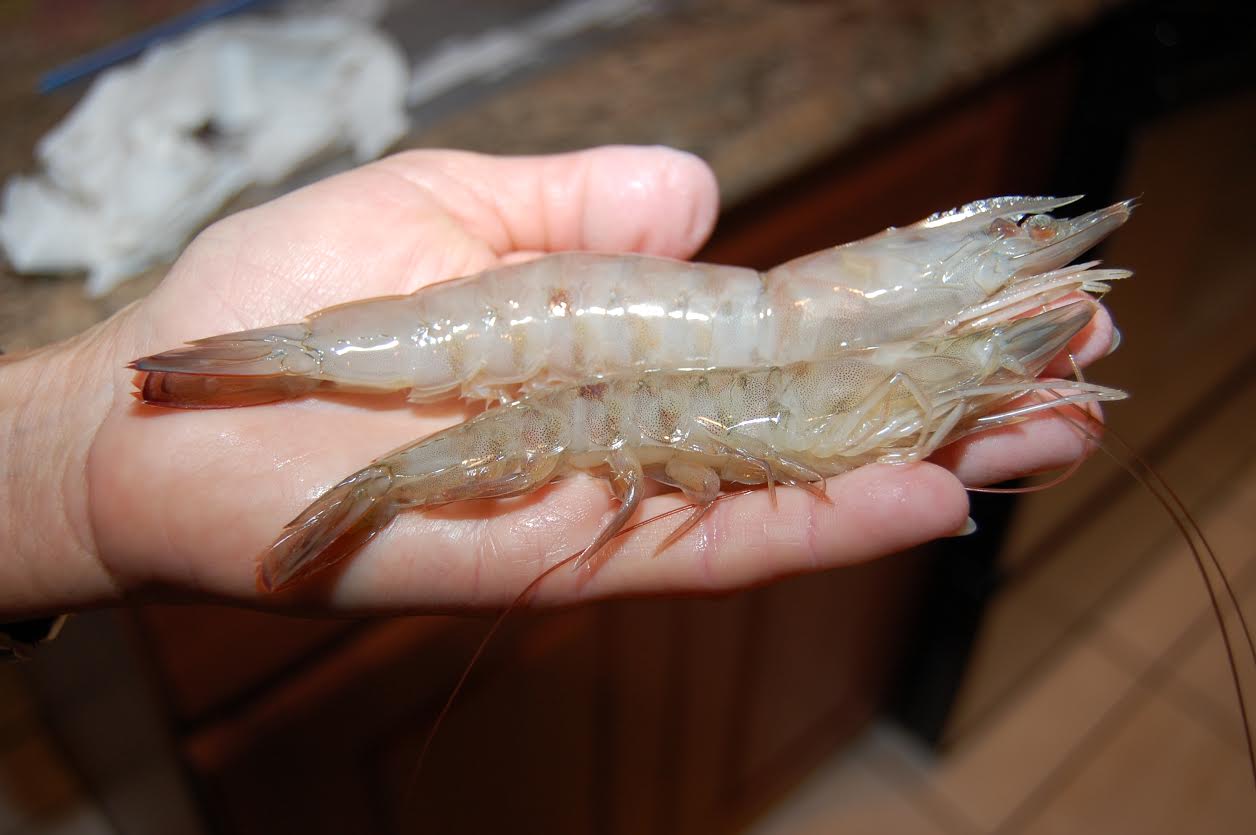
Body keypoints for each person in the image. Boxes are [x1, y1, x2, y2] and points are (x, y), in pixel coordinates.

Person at [0, 146, 1114, 620]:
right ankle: (280, 371)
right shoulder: (788, 322)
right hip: (558, 352)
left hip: (649, 373)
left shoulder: (798, 324)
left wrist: (58, 472)